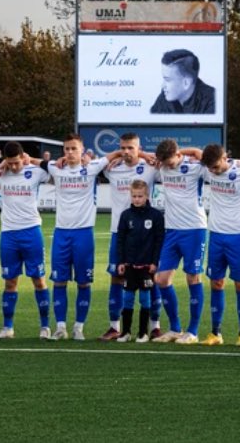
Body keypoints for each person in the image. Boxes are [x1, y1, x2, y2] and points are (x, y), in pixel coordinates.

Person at [44, 135, 116, 341]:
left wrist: (141, 154)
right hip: (61, 233)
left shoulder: (92, 167)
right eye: (66, 149)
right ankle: (60, 327)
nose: (69, 152)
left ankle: (78, 327)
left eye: (73, 149)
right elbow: (28, 159)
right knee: (59, 282)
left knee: (84, 283)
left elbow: (117, 153)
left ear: (82, 150)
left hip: (84, 233)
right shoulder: (55, 167)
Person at [0, 141, 52, 339]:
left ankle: (45, 327)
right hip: (8, 234)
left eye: (17, 162)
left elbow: (55, 167)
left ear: (22, 157)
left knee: (39, 281)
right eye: (10, 163)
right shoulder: (1, 174)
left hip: (31, 232)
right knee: (10, 282)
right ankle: (8, 328)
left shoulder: (35, 171)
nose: (14, 167)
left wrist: (33, 159)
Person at [101, 133, 160, 341]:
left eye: (131, 148)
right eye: (123, 148)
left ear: (139, 148)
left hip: (146, 233)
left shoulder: (150, 168)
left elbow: (162, 158)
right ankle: (115, 326)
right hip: (120, 232)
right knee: (117, 277)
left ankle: (154, 326)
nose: (126, 152)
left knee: (151, 278)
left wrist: (142, 154)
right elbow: (90, 162)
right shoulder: (112, 169)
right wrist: (118, 154)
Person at [199, 143, 240, 346]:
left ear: (225, 158)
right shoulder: (207, 170)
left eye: (215, 166)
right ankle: (216, 332)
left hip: (238, 235)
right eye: (210, 168)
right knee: (216, 282)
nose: (212, 172)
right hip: (215, 235)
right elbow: (192, 153)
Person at [151, 139, 207, 344]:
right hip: (172, 229)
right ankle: (175, 328)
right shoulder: (162, 166)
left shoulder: (195, 167)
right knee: (162, 279)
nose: (167, 166)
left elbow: (212, 159)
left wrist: (192, 150)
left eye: (170, 162)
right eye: (163, 163)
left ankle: (192, 331)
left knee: (193, 277)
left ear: (177, 154)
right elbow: (139, 154)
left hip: (194, 229)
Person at [115, 180, 165, 342]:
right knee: (128, 299)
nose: (137, 199)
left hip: (146, 267)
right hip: (129, 265)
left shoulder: (156, 216)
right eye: (134, 196)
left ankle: (143, 332)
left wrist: (155, 262)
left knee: (145, 299)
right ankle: (126, 332)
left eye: (140, 196)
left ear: (147, 196)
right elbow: (120, 240)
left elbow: (159, 241)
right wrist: (121, 262)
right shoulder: (125, 215)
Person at [150, 49, 215, 114]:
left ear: (186, 83)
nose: (162, 86)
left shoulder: (214, 102)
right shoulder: (165, 96)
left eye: (168, 80)